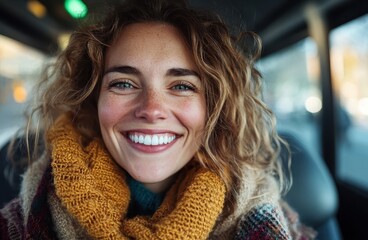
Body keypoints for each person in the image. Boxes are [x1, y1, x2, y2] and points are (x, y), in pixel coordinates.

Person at [0, 0, 315, 239]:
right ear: (92, 100)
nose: (151, 109)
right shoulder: (26, 214)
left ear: (214, 107)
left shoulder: (263, 214)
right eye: (124, 83)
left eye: (181, 86)